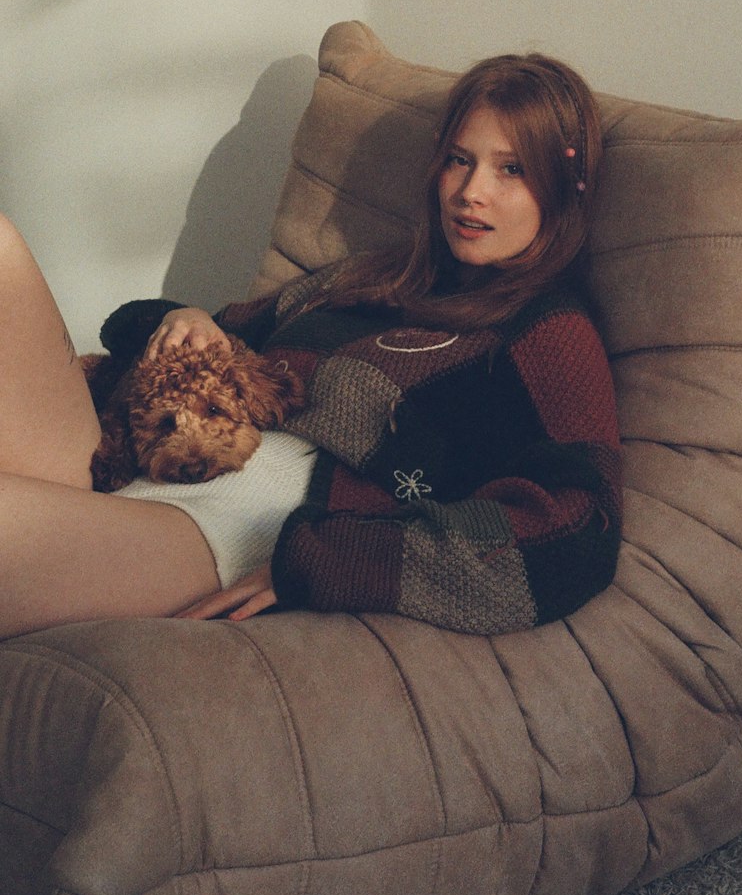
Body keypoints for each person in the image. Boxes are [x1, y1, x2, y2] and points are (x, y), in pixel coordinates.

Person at [0, 53, 621, 639]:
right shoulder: (373, 278)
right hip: (135, 464)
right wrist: (184, 317)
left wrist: (326, 562)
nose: (471, 191)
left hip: (222, 528)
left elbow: (578, 527)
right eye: (460, 160)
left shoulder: (547, 330)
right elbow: (195, 335)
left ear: (565, 185)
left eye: (510, 170)